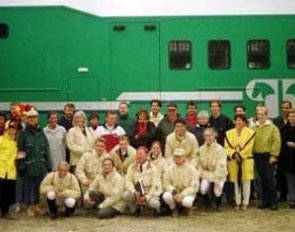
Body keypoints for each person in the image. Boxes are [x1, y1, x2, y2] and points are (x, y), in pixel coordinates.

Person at [17, 109, 51, 216]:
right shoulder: (23, 134)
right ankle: (29, 207)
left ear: (37, 119)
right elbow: (20, 150)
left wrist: (48, 164)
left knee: (38, 187)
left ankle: (37, 206)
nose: (32, 119)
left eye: (34, 117)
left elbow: (46, 149)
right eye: (30, 118)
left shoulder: (42, 132)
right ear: (27, 120)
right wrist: (21, 166)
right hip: (28, 165)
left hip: (40, 165)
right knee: (28, 187)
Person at [252, 106, 281, 210]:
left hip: (268, 156)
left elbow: (276, 142)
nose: (261, 116)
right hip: (257, 156)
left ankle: (273, 202)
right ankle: (264, 201)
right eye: (259, 114)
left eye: (263, 114)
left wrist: (274, 155)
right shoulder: (253, 127)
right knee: (262, 179)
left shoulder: (272, 127)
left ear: (266, 115)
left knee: (269, 179)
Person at [225, 115, 256, 210]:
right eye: (236, 120)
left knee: (246, 181)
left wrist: (241, 155)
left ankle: (245, 202)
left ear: (244, 122)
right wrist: (234, 154)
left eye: (240, 120)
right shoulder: (228, 133)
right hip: (233, 160)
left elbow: (249, 146)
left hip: (246, 159)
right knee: (235, 181)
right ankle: (237, 201)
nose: (238, 122)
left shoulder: (251, 133)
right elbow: (227, 147)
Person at [123, 146, 162, 217]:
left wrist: (147, 197)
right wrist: (133, 191)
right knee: (126, 195)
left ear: (146, 155)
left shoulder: (153, 168)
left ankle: (155, 210)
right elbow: (128, 181)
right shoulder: (131, 167)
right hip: (137, 192)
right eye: (137, 154)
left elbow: (156, 186)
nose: (138, 156)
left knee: (155, 203)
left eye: (141, 154)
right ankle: (135, 210)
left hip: (149, 192)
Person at [162, 148, 199, 216]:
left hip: (187, 193)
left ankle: (188, 208)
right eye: (176, 156)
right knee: (166, 196)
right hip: (175, 192)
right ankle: (174, 208)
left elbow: (194, 187)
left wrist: (183, 194)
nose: (177, 158)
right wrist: (174, 191)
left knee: (187, 202)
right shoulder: (169, 169)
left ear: (184, 157)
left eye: (180, 156)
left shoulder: (192, 169)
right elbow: (166, 183)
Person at [199, 128, 228, 211]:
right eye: (206, 136)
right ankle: (208, 203)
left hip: (219, 174)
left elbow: (221, 166)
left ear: (214, 136)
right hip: (207, 173)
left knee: (217, 192)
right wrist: (199, 174)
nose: (208, 138)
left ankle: (219, 204)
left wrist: (217, 180)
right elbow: (199, 164)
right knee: (203, 190)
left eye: (209, 136)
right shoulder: (201, 149)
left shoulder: (220, 149)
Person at [274, 100, 292, 202]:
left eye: (287, 107)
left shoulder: (293, 118)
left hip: (292, 151)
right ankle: (283, 195)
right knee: (281, 174)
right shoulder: (277, 120)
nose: (285, 109)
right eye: (283, 108)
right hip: (281, 151)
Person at [0, 121, 18, 219]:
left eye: (13, 129)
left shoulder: (15, 143)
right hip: (1, 171)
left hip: (10, 172)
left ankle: (5, 212)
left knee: (8, 193)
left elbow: (13, 157)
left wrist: (17, 157)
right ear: (6, 130)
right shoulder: (1, 140)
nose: (12, 131)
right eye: (10, 129)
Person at [280, 109, 295, 208]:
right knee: (290, 181)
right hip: (287, 160)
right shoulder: (282, 129)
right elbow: (280, 143)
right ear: (287, 117)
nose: (292, 118)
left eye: (294, 116)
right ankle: (292, 201)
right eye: (291, 116)